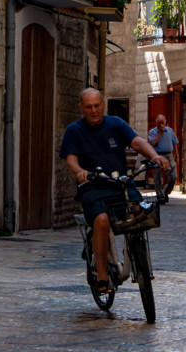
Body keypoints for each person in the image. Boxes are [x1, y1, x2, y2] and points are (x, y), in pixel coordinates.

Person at [59, 88, 168, 293]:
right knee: (101, 220)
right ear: (82, 108)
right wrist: (81, 172)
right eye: (89, 106)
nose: (94, 110)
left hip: (120, 184)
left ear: (103, 105)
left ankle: (138, 254)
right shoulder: (74, 130)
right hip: (93, 187)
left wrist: (155, 157)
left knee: (142, 210)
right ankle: (101, 274)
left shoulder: (116, 124)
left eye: (97, 105)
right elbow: (71, 161)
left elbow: (137, 142)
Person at [147, 114, 179, 203]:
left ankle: (165, 192)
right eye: (159, 123)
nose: (161, 124)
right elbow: (152, 143)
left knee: (173, 176)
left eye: (162, 122)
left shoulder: (170, 131)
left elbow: (174, 143)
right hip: (157, 155)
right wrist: (160, 133)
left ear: (165, 122)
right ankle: (160, 196)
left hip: (169, 155)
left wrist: (176, 155)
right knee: (157, 177)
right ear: (156, 122)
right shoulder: (152, 132)